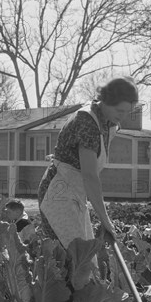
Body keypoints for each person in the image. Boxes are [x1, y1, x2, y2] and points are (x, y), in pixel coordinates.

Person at [37, 77, 139, 248]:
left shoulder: (107, 121)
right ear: (106, 100)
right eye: (120, 111)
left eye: (127, 112)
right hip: (57, 195)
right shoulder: (87, 122)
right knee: (77, 260)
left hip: (75, 194)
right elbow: (90, 176)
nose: (123, 117)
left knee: (85, 262)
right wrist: (105, 220)